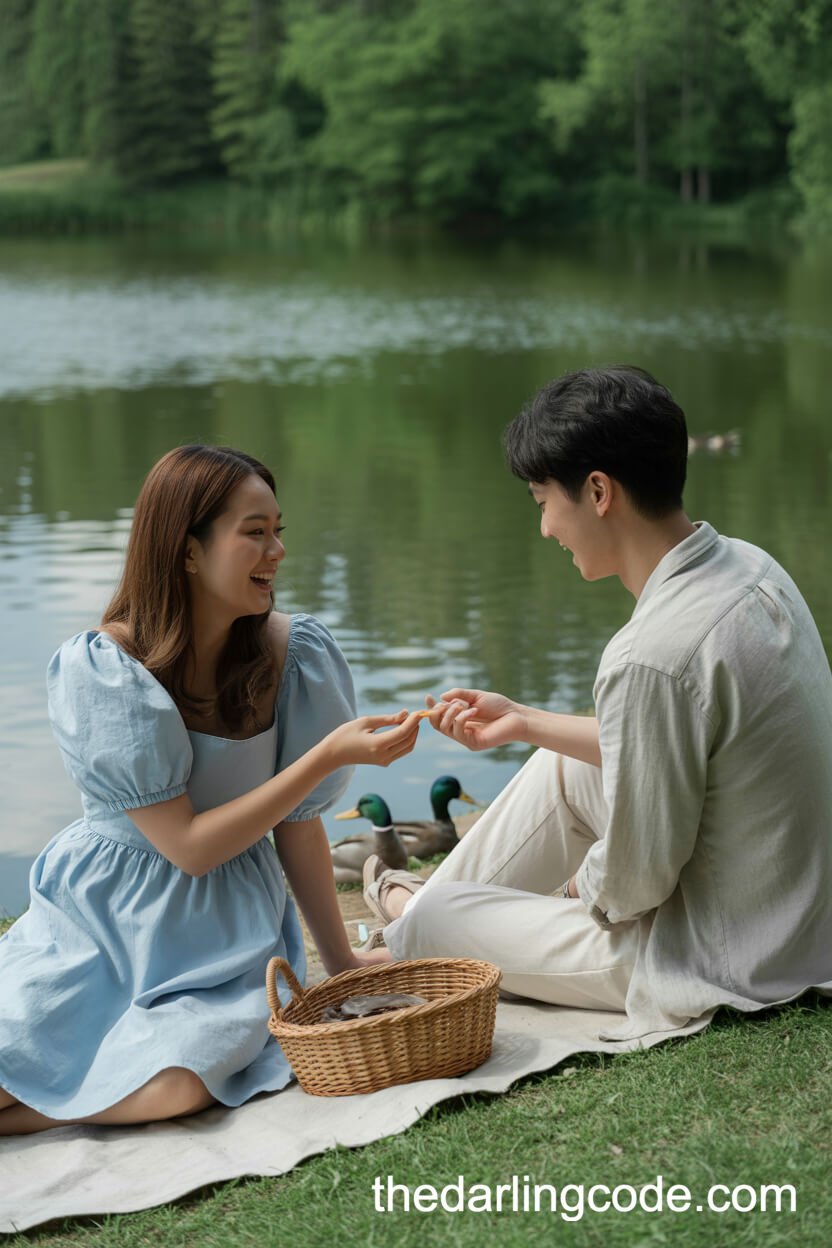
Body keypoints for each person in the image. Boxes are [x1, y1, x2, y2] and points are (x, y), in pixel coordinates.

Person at [365, 365, 832, 1041]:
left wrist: (581, 885)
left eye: (542, 502)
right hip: (791, 916)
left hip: (724, 957)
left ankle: (413, 922)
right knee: (560, 762)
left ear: (598, 491)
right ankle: (419, 921)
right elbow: (678, 737)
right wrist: (524, 723)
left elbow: (634, 885)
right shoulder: (751, 566)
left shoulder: (651, 653)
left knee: (435, 923)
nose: (548, 528)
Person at [0, 445, 422, 1136]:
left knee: (180, 1083)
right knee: (18, 1053)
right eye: (254, 533)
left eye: (278, 529)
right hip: (104, 919)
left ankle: (28, 1120)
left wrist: (339, 960)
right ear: (188, 552)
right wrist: (323, 758)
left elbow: (297, 823)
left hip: (224, 938)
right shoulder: (107, 668)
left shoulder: (295, 655)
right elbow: (187, 847)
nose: (277, 550)